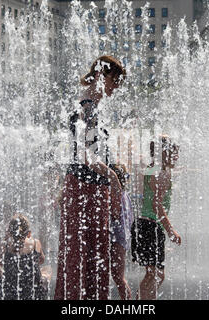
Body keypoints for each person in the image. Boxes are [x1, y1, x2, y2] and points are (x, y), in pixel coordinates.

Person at [54, 55, 126, 300]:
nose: (116, 87)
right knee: (86, 254)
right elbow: (87, 155)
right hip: (86, 190)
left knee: (87, 253)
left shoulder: (88, 104)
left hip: (87, 188)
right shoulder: (88, 107)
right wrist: (113, 176)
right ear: (100, 75)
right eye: (114, 81)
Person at [131, 136, 182, 300]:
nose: (177, 157)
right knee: (156, 275)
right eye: (174, 153)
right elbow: (157, 206)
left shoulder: (152, 169)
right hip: (151, 227)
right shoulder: (162, 174)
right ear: (165, 153)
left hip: (143, 225)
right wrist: (171, 230)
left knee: (154, 274)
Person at [0, 214, 48, 300]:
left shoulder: (6, 245)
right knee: (47, 269)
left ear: (9, 231)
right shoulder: (36, 243)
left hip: (10, 287)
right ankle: (43, 294)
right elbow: (42, 260)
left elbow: (0, 262)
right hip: (32, 288)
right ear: (29, 233)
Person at [109, 163, 134, 300]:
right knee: (117, 276)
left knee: (118, 276)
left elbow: (114, 213)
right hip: (121, 238)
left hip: (116, 238)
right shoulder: (125, 195)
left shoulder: (117, 195)